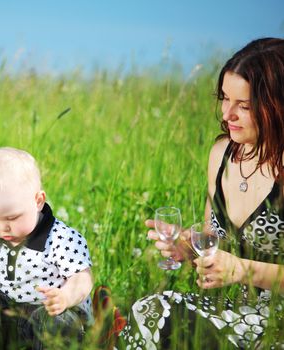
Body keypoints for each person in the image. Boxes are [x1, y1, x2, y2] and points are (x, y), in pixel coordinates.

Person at [121, 38, 284, 349]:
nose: (227, 115)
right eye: (224, 99)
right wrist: (187, 247)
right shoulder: (222, 154)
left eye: (245, 106)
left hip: (275, 320)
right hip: (231, 308)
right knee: (148, 310)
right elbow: (214, 241)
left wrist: (241, 270)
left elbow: (237, 266)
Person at [0, 147, 94, 349]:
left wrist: (66, 296)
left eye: (12, 217)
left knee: (53, 321)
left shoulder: (60, 238)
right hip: (12, 314)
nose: (2, 227)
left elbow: (83, 277)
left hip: (52, 313)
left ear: (38, 201)